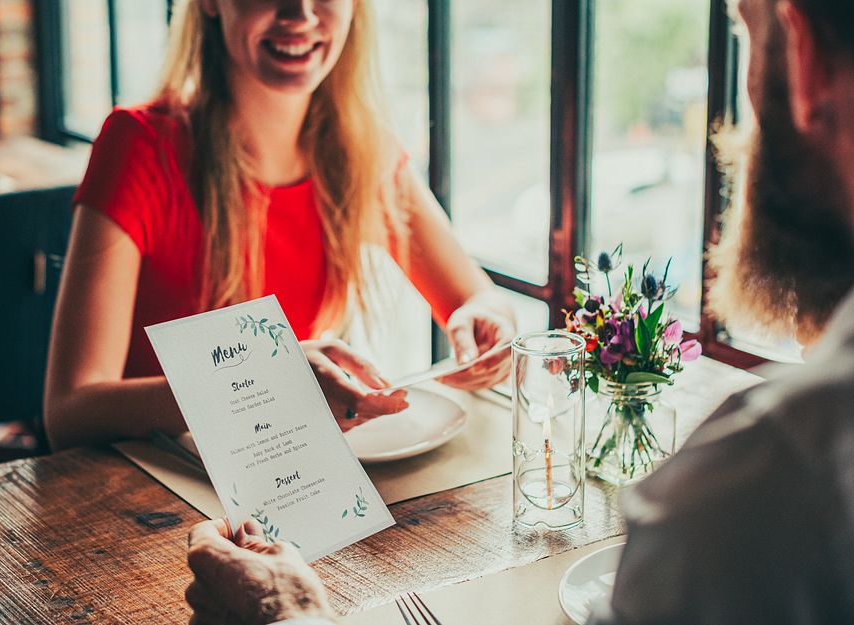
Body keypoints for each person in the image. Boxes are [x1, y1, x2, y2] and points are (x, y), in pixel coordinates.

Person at [182, 0, 854, 623]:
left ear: (803, 56)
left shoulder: (765, 487)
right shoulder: (770, 480)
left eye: (744, 32)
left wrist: (295, 613)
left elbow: (473, 294)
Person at [43, 0, 516, 450]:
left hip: (292, 481)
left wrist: (488, 325)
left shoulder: (363, 154)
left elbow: (479, 300)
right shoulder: (139, 146)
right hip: (152, 489)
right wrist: (265, 384)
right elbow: (70, 412)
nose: (301, 14)